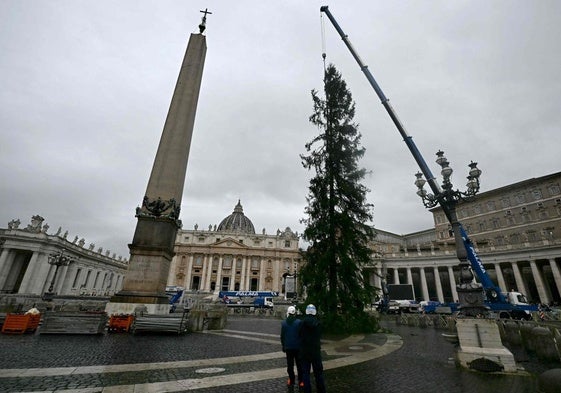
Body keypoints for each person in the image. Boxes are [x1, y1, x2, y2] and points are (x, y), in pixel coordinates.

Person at [300, 304, 326, 393]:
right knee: (318, 373)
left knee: (305, 373)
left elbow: (300, 336)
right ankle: (321, 390)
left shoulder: (301, 323)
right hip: (315, 352)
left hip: (305, 352)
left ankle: (307, 391)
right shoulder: (318, 323)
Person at [281, 305, 303, 388]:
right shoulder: (299, 322)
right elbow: (301, 335)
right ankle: (301, 381)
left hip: (288, 347)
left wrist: (283, 346)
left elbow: (282, 336)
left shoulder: (284, 323)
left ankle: (291, 380)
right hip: (298, 347)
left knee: (290, 365)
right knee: (299, 365)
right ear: (295, 313)